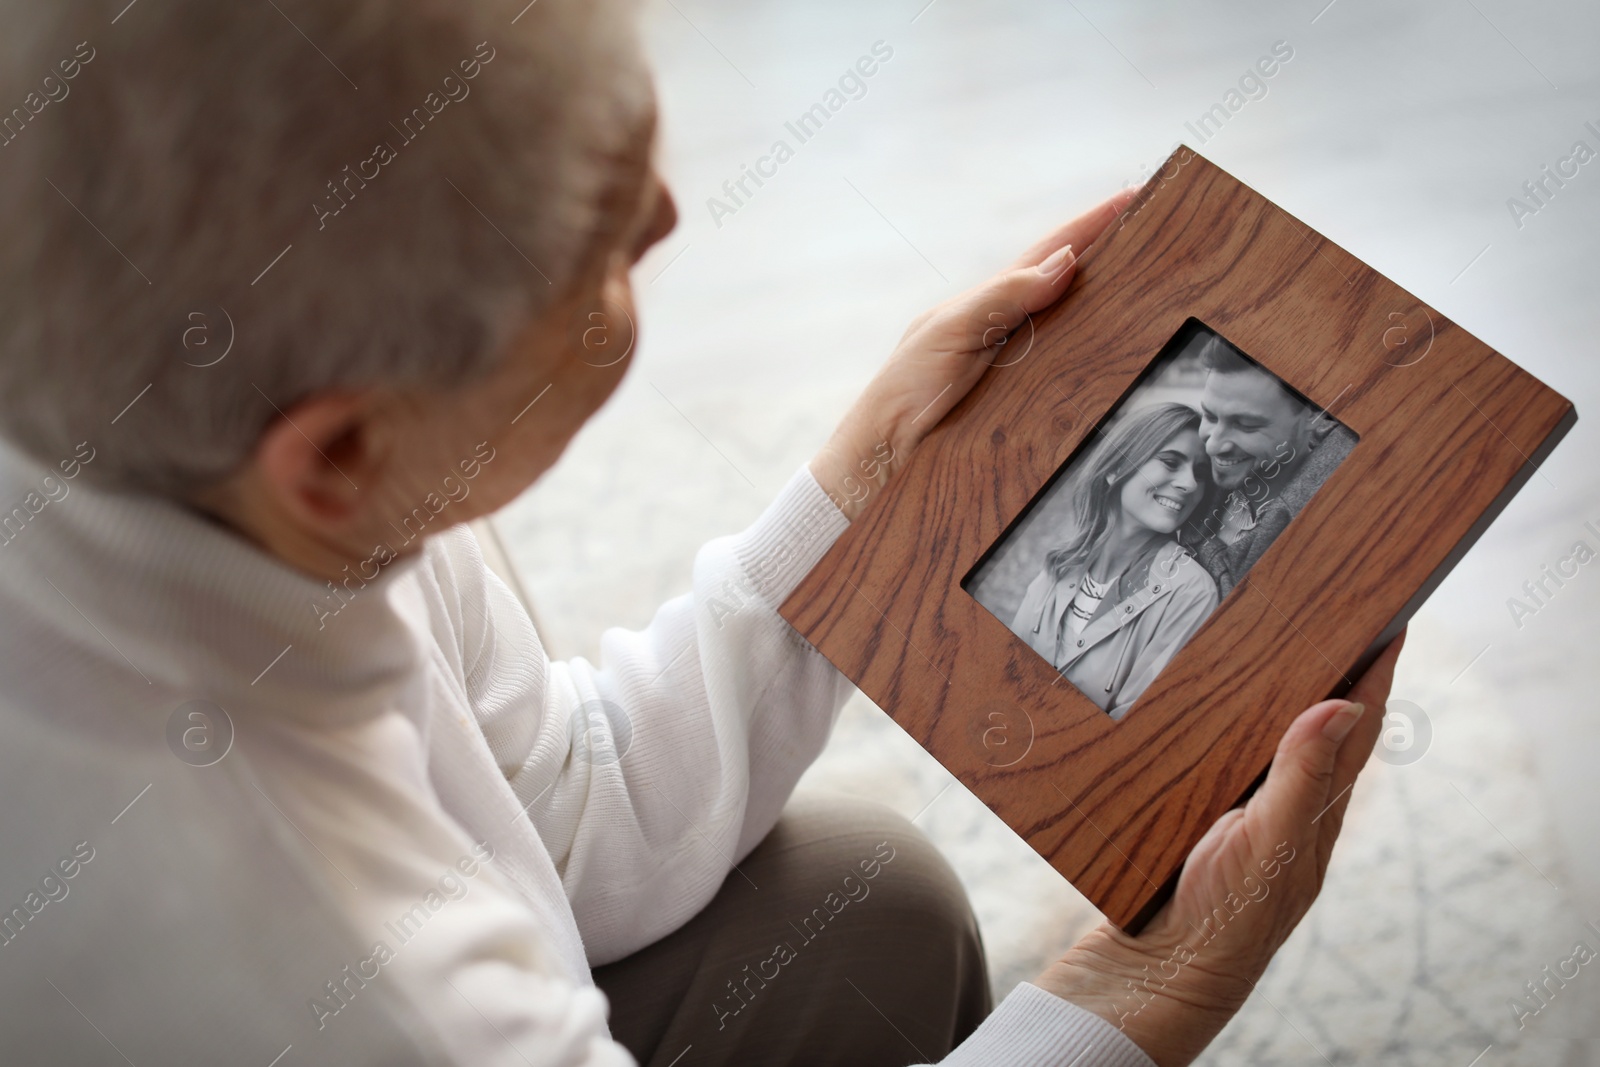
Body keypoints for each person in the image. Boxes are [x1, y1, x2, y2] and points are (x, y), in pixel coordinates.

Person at [0, 3, 1404, 1064]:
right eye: (599, 242)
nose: (673, 215)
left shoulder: (232, 446)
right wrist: (1159, 987)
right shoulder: (341, 972)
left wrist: (863, 485)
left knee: (868, 902)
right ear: (344, 448)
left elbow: (559, 804)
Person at [1012, 403, 1220, 719]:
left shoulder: (1192, 592)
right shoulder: (1062, 563)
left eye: (1201, 473)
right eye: (1170, 462)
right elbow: (1005, 665)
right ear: (1114, 468)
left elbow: (1133, 723)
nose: (1190, 484)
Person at [1187, 334, 1359, 597]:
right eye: (1209, 416)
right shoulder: (1183, 473)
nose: (1212, 446)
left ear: (1315, 413)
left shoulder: (1345, 521)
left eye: (1246, 425)